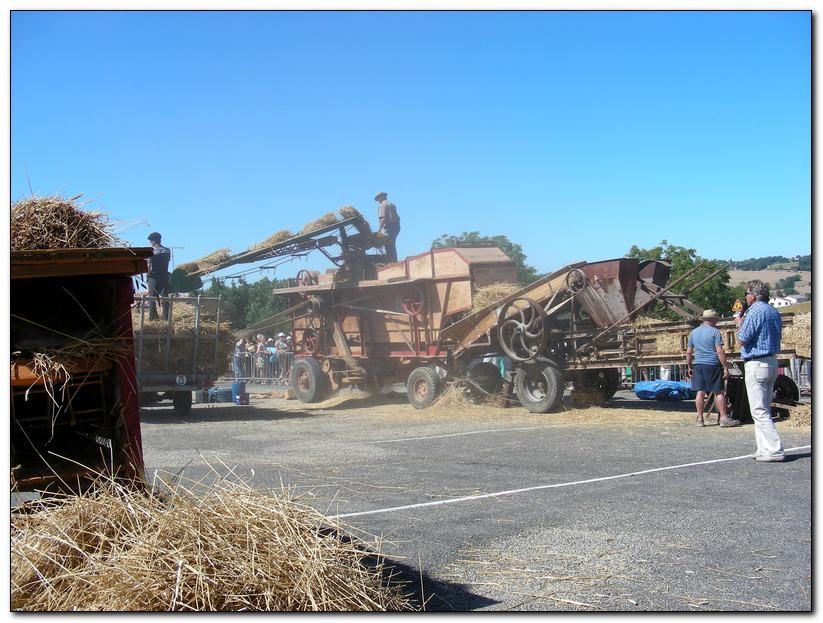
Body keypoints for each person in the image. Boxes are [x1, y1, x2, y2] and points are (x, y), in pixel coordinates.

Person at [736, 280, 785, 462]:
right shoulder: (773, 311)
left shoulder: (755, 311)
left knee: (759, 411)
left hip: (756, 362)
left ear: (753, 295)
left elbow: (742, 339)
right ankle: (762, 448)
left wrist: (739, 322)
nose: (746, 297)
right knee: (763, 408)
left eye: (747, 293)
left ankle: (774, 450)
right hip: (771, 360)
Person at [686, 309, 740, 428]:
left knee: (700, 391)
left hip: (698, 365)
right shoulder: (715, 332)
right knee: (719, 391)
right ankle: (724, 418)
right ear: (711, 320)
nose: (716, 321)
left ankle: (700, 419)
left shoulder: (693, 333)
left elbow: (689, 352)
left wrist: (689, 366)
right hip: (712, 364)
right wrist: (725, 367)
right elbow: (719, 351)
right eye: (715, 319)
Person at [146, 232, 171, 320]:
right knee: (165, 297)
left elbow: (149, 265)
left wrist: (148, 276)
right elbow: (167, 262)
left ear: (153, 241)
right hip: (164, 276)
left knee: (152, 298)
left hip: (153, 277)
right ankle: (166, 318)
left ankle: (153, 319)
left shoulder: (151, 251)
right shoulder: (167, 250)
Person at [374, 191, 400, 263]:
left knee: (388, 246)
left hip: (388, 228)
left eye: (378, 198)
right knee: (392, 245)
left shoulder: (383, 205)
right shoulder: (391, 204)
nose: (378, 200)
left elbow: (383, 219)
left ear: (381, 197)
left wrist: (379, 231)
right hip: (396, 228)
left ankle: (391, 262)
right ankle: (394, 261)